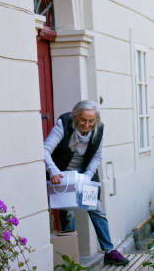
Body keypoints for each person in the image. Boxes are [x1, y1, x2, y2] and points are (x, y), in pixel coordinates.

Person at [44, 100, 130, 266]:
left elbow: (97, 156)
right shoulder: (64, 124)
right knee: (68, 214)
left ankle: (109, 251)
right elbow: (45, 149)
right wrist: (53, 171)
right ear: (76, 117)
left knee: (96, 209)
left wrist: (87, 177)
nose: (87, 124)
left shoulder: (99, 129)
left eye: (91, 121)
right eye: (83, 120)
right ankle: (72, 255)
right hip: (64, 176)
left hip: (85, 175)